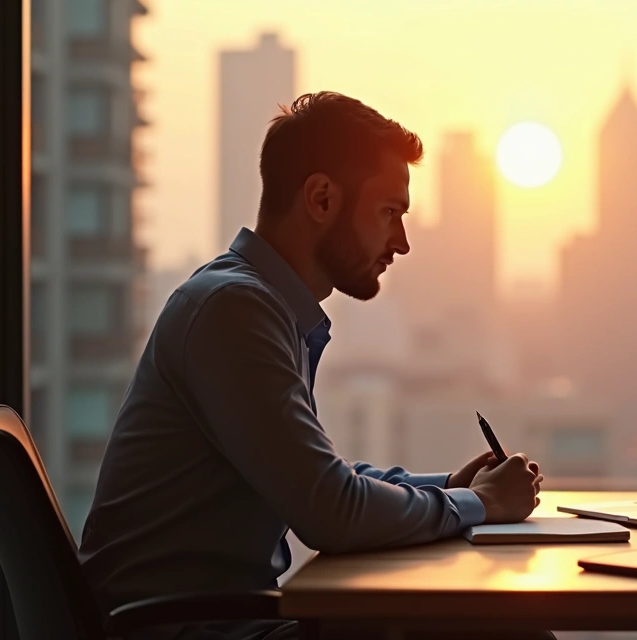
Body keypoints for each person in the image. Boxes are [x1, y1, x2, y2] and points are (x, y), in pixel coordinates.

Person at [79, 92, 551, 640]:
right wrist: (479, 503)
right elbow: (330, 509)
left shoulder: (260, 306)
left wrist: (451, 486)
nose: (401, 243)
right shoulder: (234, 311)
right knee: (505, 631)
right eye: (389, 213)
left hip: (223, 623)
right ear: (322, 198)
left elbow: (323, 478)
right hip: (188, 632)